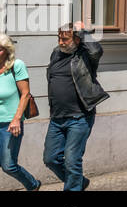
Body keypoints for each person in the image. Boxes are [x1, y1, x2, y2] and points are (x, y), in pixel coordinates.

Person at [43, 21, 108, 191]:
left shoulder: (85, 56)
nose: (61, 42)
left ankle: (73, 188)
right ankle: (79, 182)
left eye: (65, 39)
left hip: (79, 117)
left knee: (72, 161)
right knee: (50, 159)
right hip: (57, 117)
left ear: (77, 40)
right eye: (59, 38)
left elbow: (96, 50)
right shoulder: (56, 53)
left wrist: (83, 31)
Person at [0, 34, 41, 190]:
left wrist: (17, 119)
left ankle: (33, 184)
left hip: (10, 125)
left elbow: (25, 94)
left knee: (8, 165)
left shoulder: (16, 66)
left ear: (7, 50)